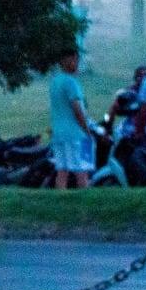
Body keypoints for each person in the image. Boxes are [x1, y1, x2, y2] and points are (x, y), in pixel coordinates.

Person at [48, 48, 93, 190]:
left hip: (58, 133)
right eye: (75, 60)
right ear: (66, 61)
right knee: (81, 171)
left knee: (62, 171)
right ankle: (85, 203)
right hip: (75, 134)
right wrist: (87, 131)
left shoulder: (54, 82)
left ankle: (60, 202)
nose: (77, 64)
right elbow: (77, 110)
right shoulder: (71, 82)